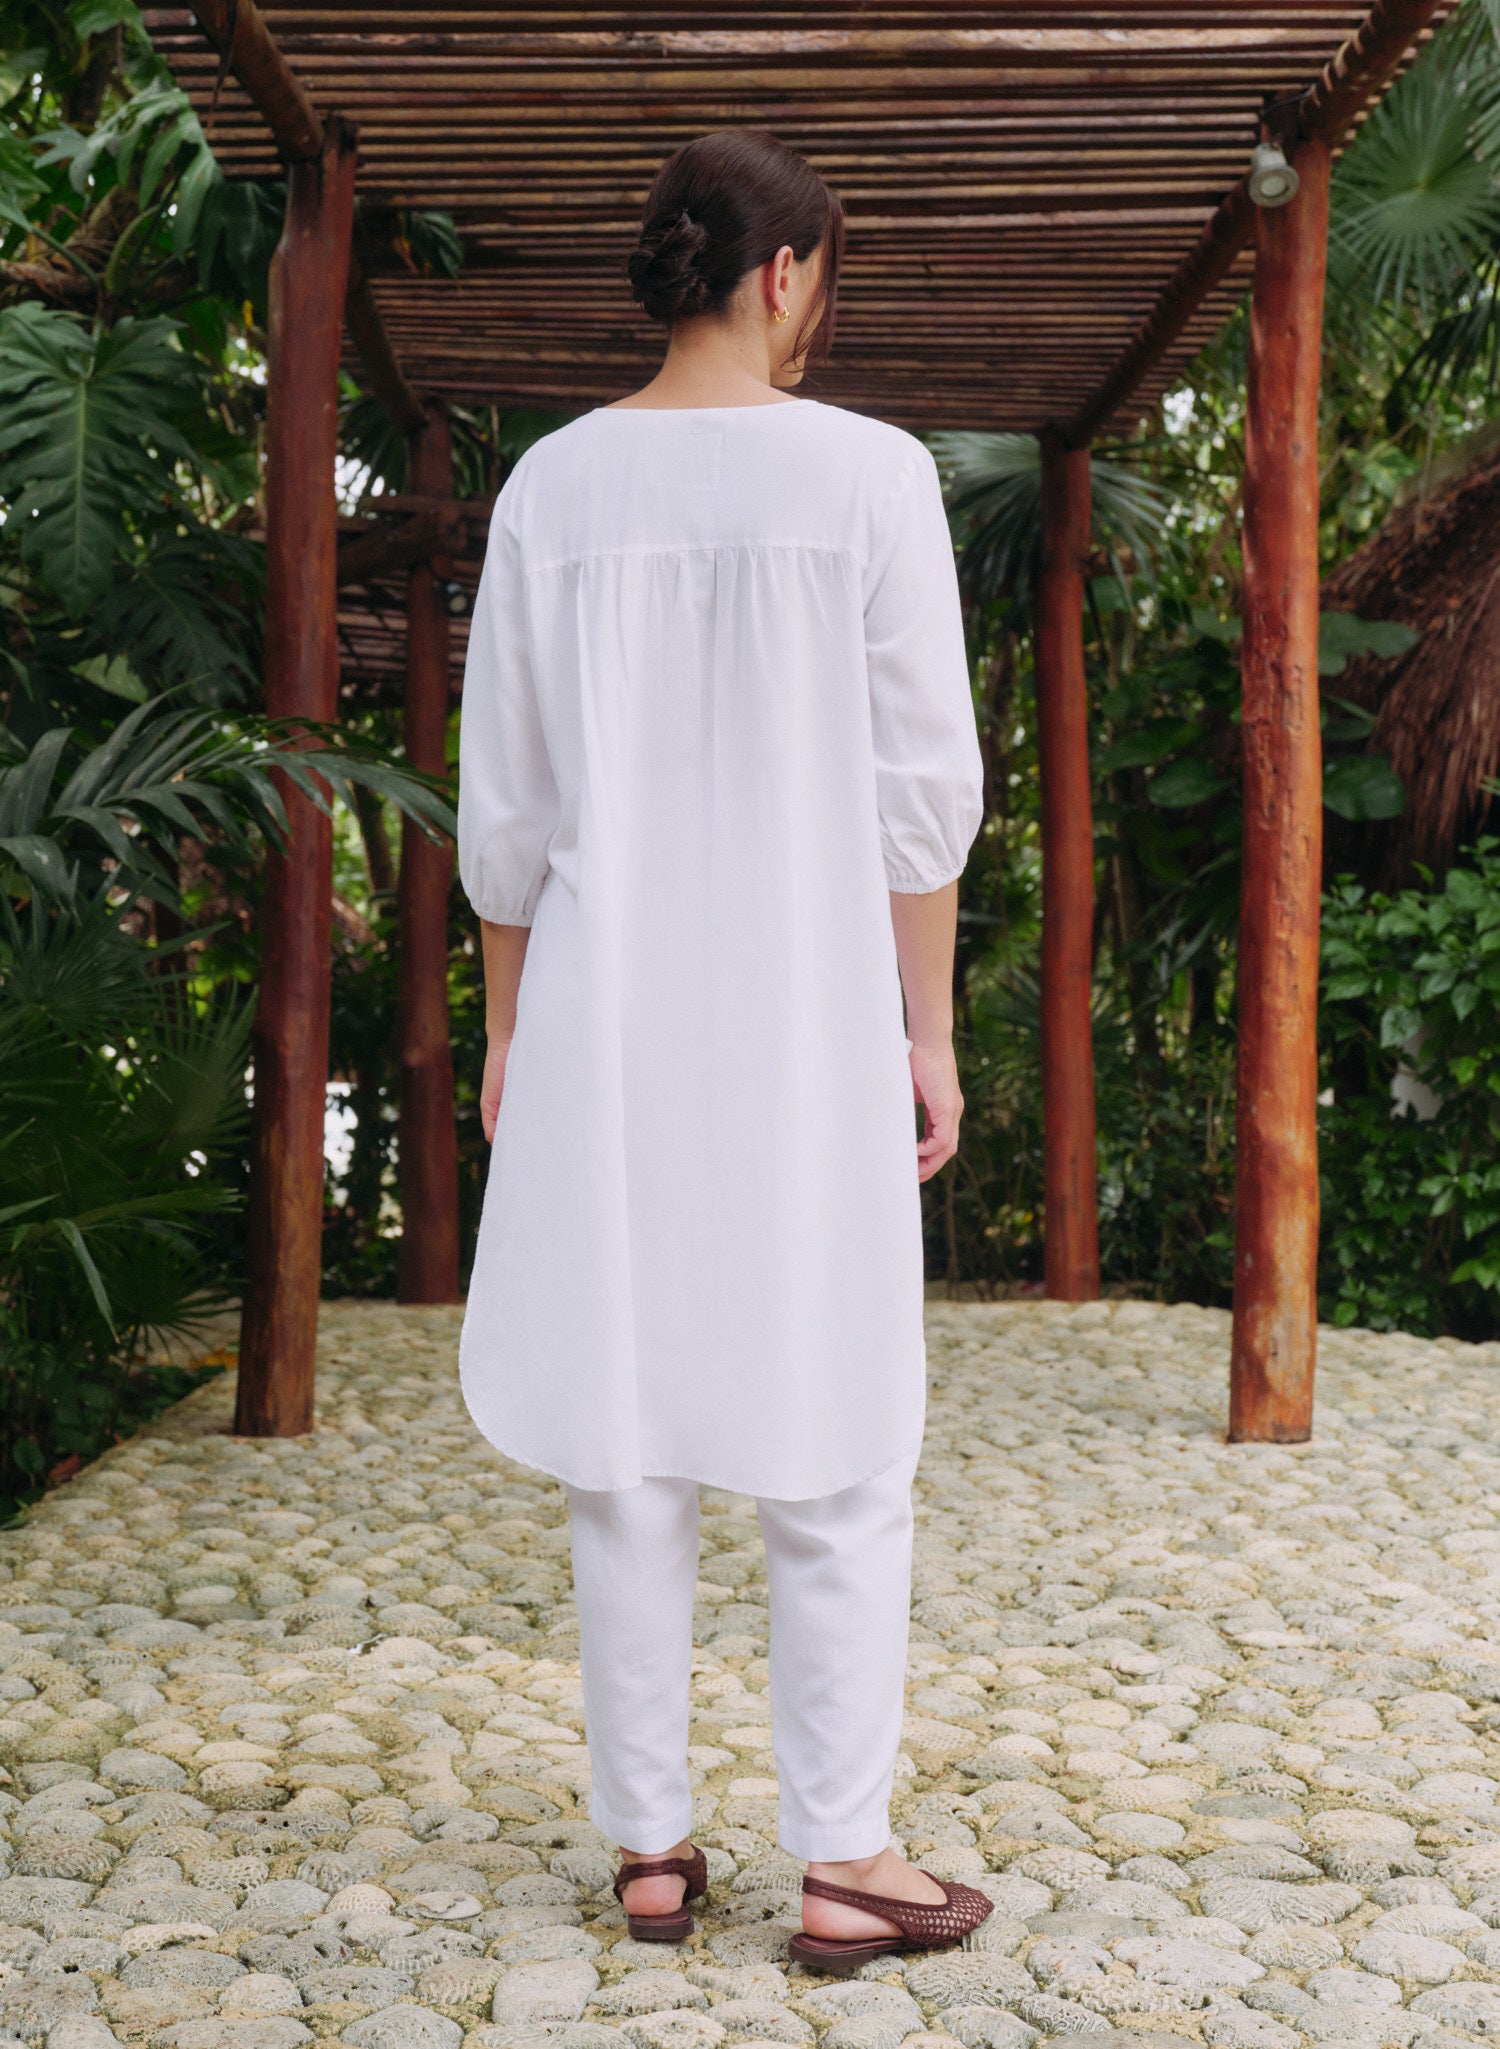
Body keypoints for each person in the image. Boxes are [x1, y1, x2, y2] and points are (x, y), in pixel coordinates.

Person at [456, 128, 989, 1972]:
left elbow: (509, 812)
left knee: (624, 1430)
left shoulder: (551, 486)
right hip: (807, 1012)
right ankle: (845, 1855)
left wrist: (508, 1030)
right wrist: (927, 1031)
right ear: (782, 273)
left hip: (604, 1018)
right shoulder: (872, 475)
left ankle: (652, 1847)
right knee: (839, 1425)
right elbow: (919, 801)